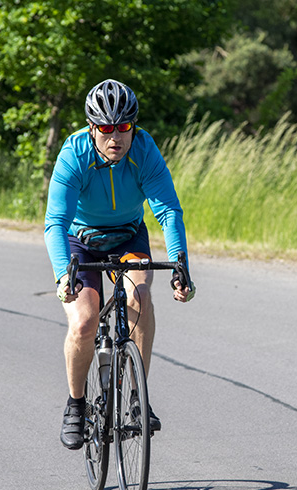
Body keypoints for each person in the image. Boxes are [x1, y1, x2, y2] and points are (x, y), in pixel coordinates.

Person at [44, 79, 195, 450]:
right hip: (81, 242)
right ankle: (76, 405)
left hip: (128, 237)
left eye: (124, 127)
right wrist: (64, 274)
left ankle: (136, 399)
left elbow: (168, 212)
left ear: (133, 127)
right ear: (93, 128)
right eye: (107, 128)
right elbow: (55, 223)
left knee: (139, 298)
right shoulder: (74, 153)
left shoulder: (144, 150)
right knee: (83, 321)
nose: (116, 137)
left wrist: (181, 266)